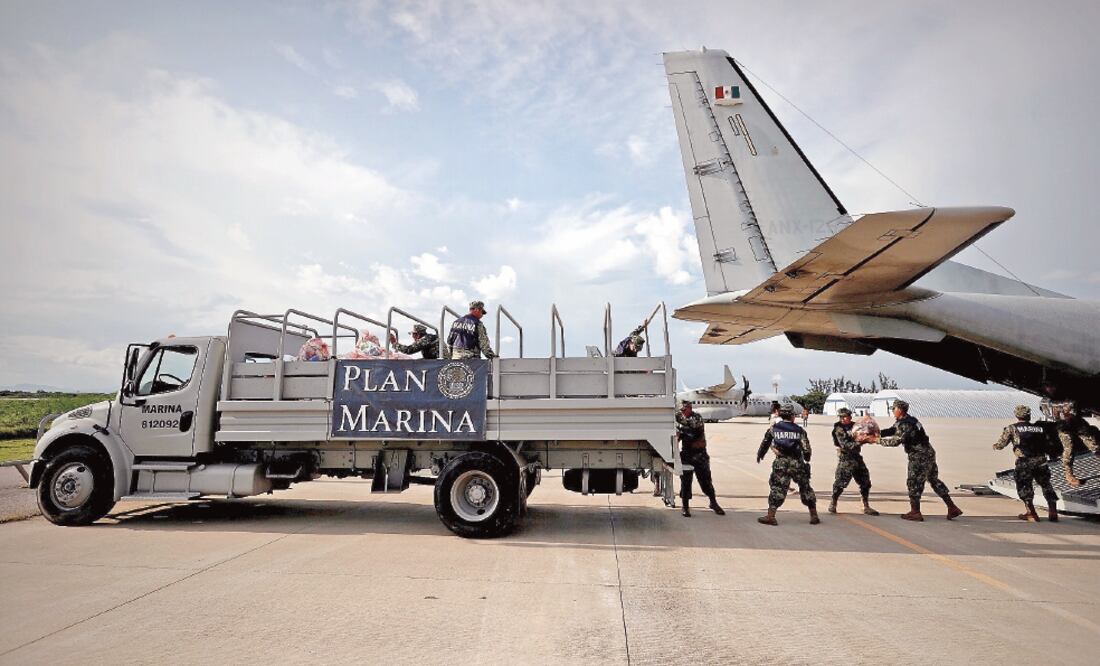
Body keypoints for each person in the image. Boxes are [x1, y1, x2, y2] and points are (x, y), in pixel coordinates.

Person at [877, 399, 963, 522]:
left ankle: (915, 512)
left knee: (914, 482)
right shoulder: (910, 420)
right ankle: (952, 507)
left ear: (900, 410)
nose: (892, 411)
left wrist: (876, 440)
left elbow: (896, 441)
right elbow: (892, 430)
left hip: (919, 456)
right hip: (928, 453)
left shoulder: (905, 424)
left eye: (894, 409)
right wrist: (877, 433)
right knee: (934, 480)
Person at [993, 405, 1060, 522]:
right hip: (1041, 461)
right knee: (1046, 484)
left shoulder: (1012, 428)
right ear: (1029, 415)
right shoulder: (1039, 428)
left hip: (1025, 462)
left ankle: (1031, 513)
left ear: (1017, 415)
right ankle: (1053, 511)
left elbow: (1000, 445)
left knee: (1024, 486)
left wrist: (995, 446)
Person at [756, 405, 819, 525]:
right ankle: (813, 515)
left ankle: (771, 516)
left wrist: (760, 455)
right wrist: (806, 458)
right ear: (792, 416)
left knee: (778, 488)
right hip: (797, 462)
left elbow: (765, 443)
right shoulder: (799, 430)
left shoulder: (774, 429)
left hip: (781, 462)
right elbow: (806, 449)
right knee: (805, 487)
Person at [676, 400, 725, 517]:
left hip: (700, 455)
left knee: (705, 481)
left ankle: (713, 503)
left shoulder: (696, 418)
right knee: (686, 482)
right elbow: (677, 437)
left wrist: (675, 418)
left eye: (684, 410)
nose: (683, 412)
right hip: (686, 454)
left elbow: (691, 424)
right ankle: (685, 506)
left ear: (690, 408)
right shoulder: (679, 421)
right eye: (681, 411)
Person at [828, 407, 879, 516]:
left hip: (856, 456)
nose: (842, 419)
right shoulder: (839, 429)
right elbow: (846, 445)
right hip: (846, 458)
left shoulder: (855, 426)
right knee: (840, 483)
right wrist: (863, 441)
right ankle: (833, 502)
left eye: (844, 417)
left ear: (850, 417)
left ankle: (865, 505)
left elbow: (867, 430)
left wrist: (870, 430)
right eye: (840, 417)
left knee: (865, 482)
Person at [1051, 400, 1100, 487]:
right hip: (1064, 426)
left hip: (1076, 422)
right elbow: (1053, 413)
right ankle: (1069, 475)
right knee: (1068, 449)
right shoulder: (1054, 401)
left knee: (1093, 443)